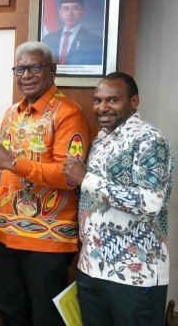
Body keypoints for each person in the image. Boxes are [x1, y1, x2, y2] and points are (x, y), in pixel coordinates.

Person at [0, 41, 91, 326]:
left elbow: (69, 176)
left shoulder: (68, 113)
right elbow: (1, 173)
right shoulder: (12, 113)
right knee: (10, 311)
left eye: (34, 67)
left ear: (52, 70)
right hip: (4, 234)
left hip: (47, 240)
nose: (26, 75)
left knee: (45, 317)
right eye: (19, 69)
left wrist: (13, 162)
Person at [62, 72, 174, 326]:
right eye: (98, 100)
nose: (102, 107)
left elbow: (150, 201)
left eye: (112, 100)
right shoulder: (101, 139)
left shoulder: (150, 139)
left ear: (134, 102)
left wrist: (86, 179)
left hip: (135, 274)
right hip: (92, 268)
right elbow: (96, 199)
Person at [42, 0, 103, 66]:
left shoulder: (95, 41)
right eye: (65, 9)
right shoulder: (48, 39)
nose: (69, 13)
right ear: (60, 12)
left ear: (82, 12)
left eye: (75, 8)